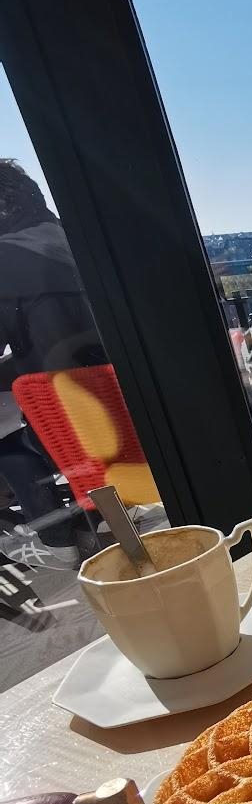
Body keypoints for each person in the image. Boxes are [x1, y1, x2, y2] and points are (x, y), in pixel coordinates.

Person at [0, 160, 105, 547]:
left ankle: (60, 537)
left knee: (9, 449)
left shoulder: (7, 256)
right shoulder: (77, 239)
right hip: (125, 403)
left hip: (68, 418)